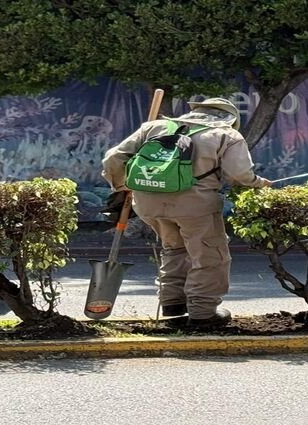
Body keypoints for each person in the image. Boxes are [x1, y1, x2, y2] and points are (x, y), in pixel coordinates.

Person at [102, 97, 271, 327]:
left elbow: (113, 157)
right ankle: (203, 313)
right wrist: (259, 183)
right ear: (230, 119)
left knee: (174, 247)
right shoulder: (227, 135)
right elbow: (238, 175)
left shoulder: (155, 127)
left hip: (147, 203)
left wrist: (122, 186)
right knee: (208, 255)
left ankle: (172, 302)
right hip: (195, 205)